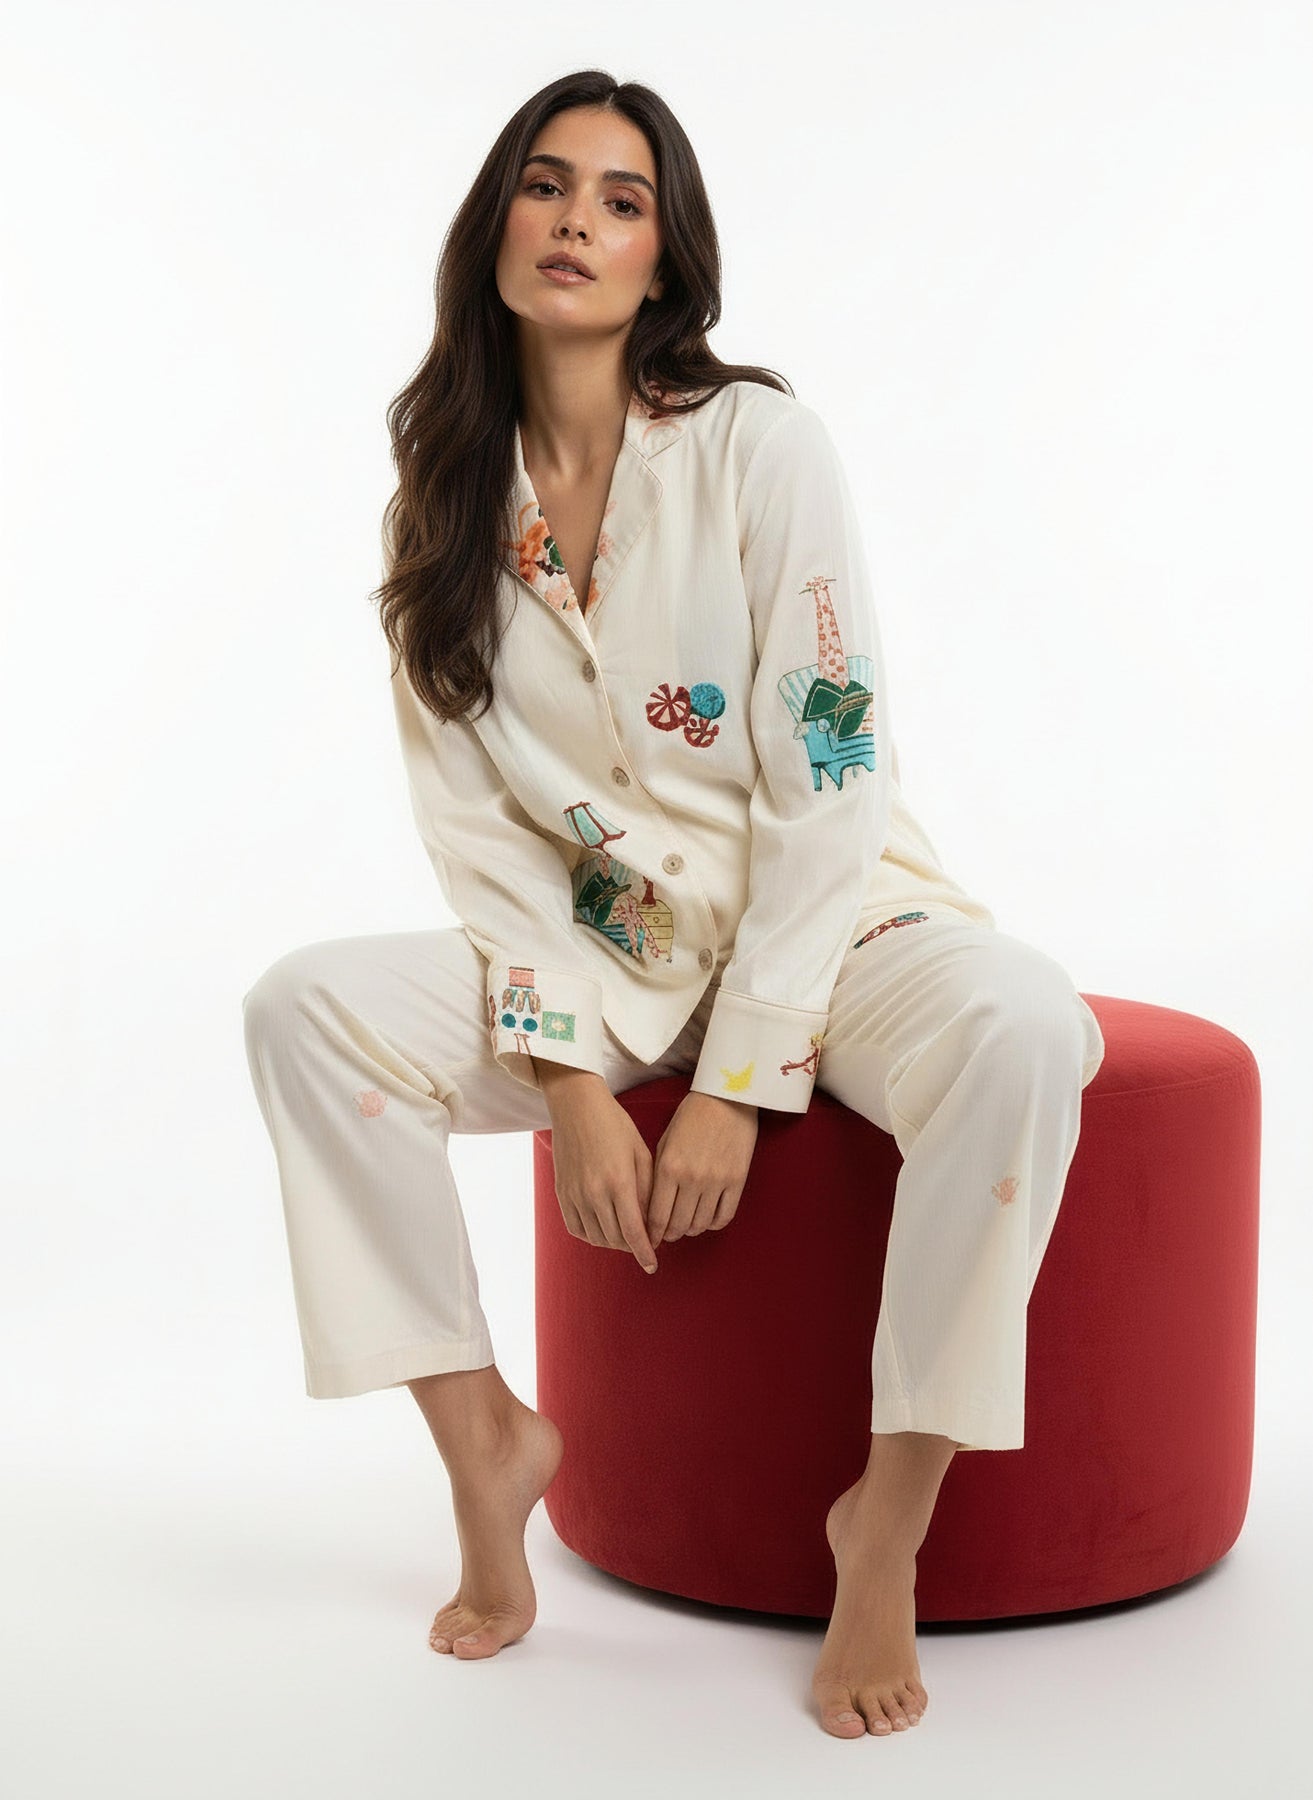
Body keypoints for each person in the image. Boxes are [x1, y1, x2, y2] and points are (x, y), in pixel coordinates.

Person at [241, 71, 1105, 1742]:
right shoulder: (440, 503)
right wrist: (571, 1079)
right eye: (545, 185)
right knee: (305, 1009)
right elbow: (480, 840)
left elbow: (832, 768)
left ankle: (886, 1519)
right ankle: (486, 1440)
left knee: (1022, 1020)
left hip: (837, 931)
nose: (576, 221)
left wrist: (740, 1079)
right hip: (608, 956)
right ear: (495, 225)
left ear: (664, 260)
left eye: (620, 201)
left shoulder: (760, 448)